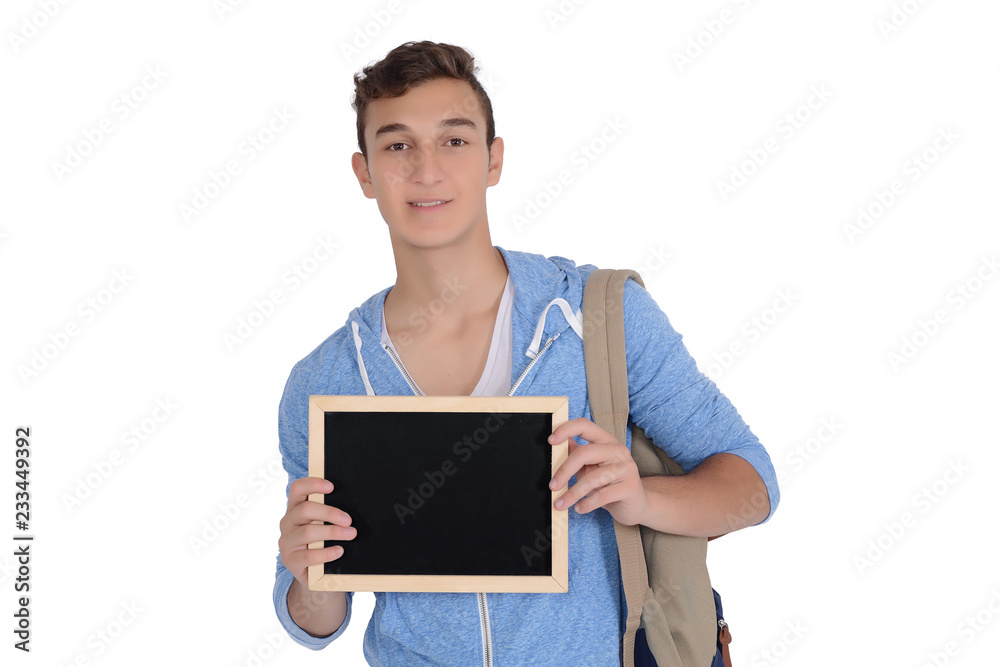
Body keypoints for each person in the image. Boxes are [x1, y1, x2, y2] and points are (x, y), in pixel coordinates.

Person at [273, 40, 780, 666]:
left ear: (493, 159)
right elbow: (316, 621)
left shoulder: (599, 318)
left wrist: (643, 499)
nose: (427, 169)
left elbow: (754, 485)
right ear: (365, 172)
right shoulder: (326, 380)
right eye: (398, 144)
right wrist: (305, 573)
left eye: (454, 140)